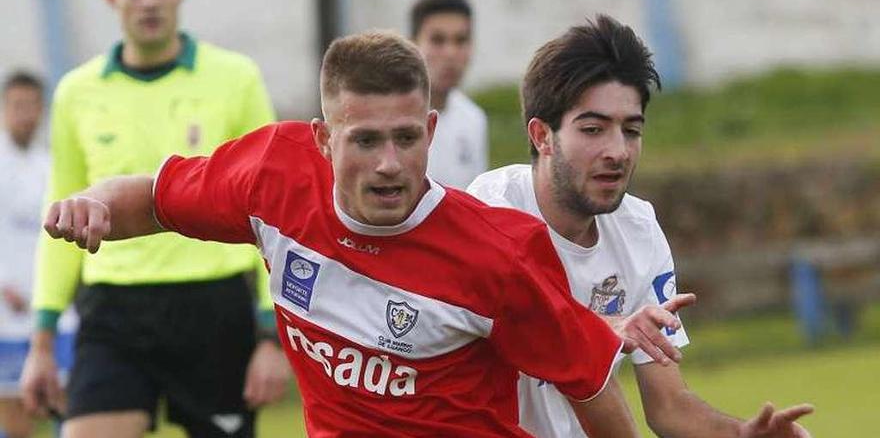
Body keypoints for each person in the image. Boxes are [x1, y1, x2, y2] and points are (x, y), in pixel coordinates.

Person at [40, 30, 642, 437]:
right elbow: (150, 197)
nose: (389, 163)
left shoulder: (499, 254)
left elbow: (588, 383)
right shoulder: (272, 176)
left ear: (431, 131)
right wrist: (93, 206)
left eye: (406, 138)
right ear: (324, 139)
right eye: (365, 141)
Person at [467, 15, 814, 438]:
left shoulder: (639, 229)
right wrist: (610, 329)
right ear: (542, 136)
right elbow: (543, 334)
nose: (617, 151)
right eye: (593, 129)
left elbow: (668, 406)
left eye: (631, 130)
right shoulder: (489, 213)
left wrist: (741, 435)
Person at [20, 0, 289, 437]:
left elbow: (270, 209)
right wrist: (42, 341)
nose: (149, 1)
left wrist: (271, 334)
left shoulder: (236, 78)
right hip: (114, 309)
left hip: (214, 307)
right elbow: (57, 210)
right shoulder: (77, 92)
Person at [0, 72, 75, 438]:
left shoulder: (52, 164)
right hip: (5, 314)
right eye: (17, 106)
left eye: (32, 106)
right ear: (3, 109)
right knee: (16, 421)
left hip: (54, 313)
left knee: (68, 406)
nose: (25, 114)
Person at [411, 0, 488, 188]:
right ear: (413, 45)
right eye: (438, 40)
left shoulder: (473, 118)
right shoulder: (392, 119)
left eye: (460, 40)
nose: (451, 54)